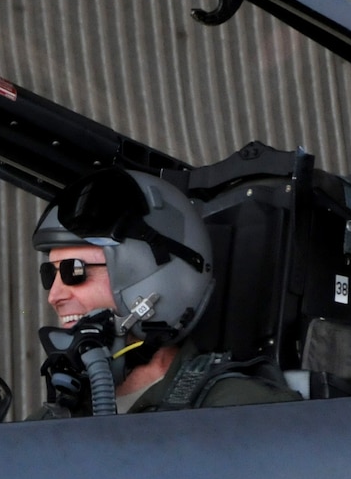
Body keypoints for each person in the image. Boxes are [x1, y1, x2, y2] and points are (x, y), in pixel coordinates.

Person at [33, 168, 297, 414]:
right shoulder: (58, 417)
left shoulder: (238, 411)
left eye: (74, 271)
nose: (54, 296)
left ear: (152, 283)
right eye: (50, 273)